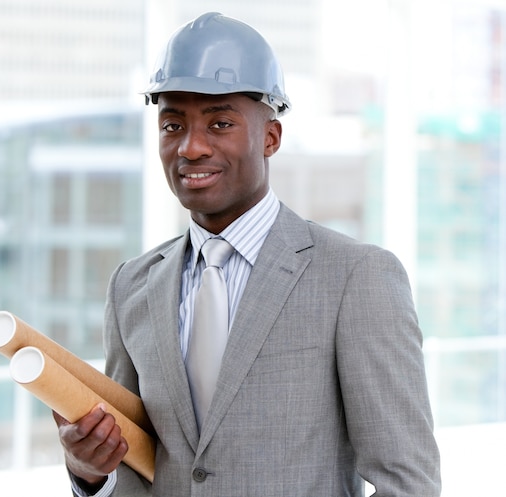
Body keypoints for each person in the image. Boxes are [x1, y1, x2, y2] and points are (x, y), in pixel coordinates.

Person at [54, 11, 441, 497]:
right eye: (172, 125)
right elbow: (140, 465)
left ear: (271, 138)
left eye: (219, 123)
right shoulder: (131, 286)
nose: (190, 148)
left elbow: (407, 482)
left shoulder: (355, 277)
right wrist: (90, 472)